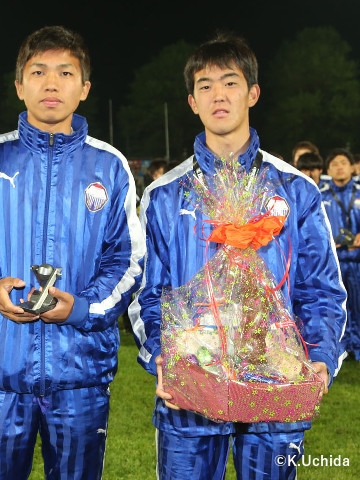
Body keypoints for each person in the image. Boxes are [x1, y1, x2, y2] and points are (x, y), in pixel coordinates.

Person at [129, 32, 346, 479]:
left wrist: (321, 356)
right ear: (192, 101)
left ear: (253, 93)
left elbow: (321, 288)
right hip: (192, 392)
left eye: (230, 82)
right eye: (205, 86)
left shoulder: (296, 190)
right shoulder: (165, 195)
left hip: (277, 387)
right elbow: (147, 293)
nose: (219, 95)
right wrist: (163, 357)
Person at [0, 25, 144, 479]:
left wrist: (81, 308)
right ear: (19, 85)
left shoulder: (110, 166)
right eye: (38, 72)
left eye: (65, 73)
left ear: (84, 87)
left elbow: (127, 261)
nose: (52, 83)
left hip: (80, 377)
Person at [320, 148, 360, 360]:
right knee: (337, 308)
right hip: (333, 264)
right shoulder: (321, 196)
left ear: (352, 167)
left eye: (343, 162)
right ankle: (341, 348)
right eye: (334, 164)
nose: (339, 167)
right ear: (328, 170)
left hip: (357, 261)